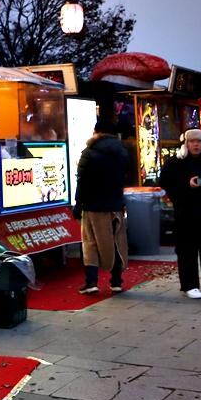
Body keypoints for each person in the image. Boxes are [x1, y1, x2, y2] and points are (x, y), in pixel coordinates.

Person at [161, 129, 201, 299]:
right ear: (186, 143)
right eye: (192, 141)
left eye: (199, 141)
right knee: (187, 250)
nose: (196, 145)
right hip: (186, 213)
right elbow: (166, 183)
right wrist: (186, 184)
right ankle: (189, 285)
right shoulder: (176, 162)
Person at [72, 120, 130, 294]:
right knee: (116, 242)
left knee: (91, 243)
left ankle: (91, 283)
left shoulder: (89, 153)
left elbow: (81, 182)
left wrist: (78, 204)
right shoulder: (123, 152)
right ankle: (116, 282)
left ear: (96, 132)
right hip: (116, 205)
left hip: (93, 206)